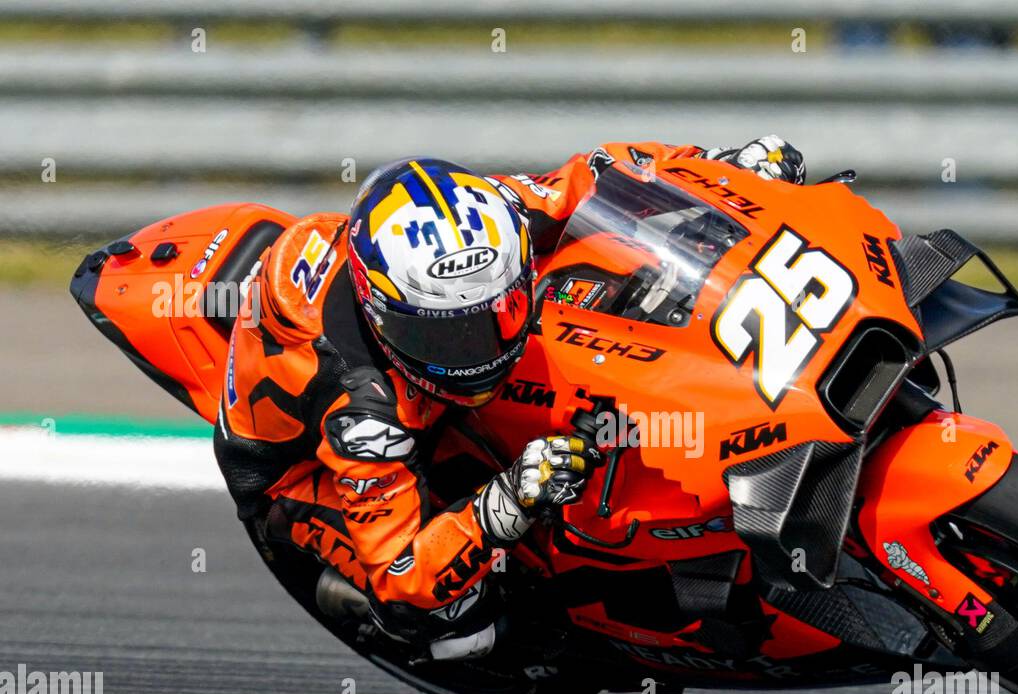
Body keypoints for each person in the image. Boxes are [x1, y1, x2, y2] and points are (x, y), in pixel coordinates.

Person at [214, 136, 806, 660]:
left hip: (395, 366)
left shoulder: (489, 215)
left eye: (498, 313)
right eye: (444, 334)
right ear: (383, 315)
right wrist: (506, 500)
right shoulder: (365, 417)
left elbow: (608, 176)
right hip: (296, 473)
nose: (479, 350)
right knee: (452, 623)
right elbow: (405, 572)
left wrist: (725, 170)